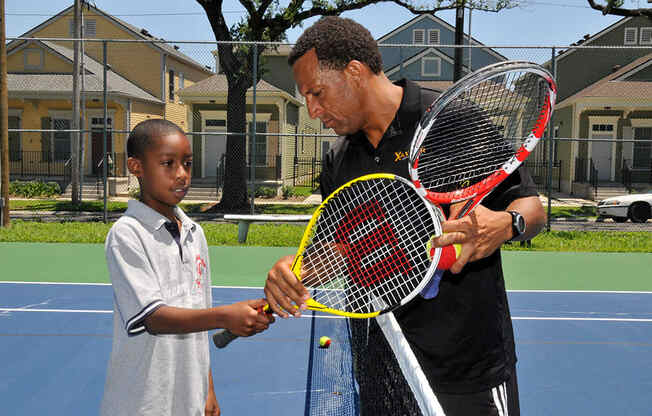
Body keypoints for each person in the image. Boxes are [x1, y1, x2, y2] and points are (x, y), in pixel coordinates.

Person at [263, 17, 546, 416]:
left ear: (355, 72)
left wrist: (505, 224)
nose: (312, 110)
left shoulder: (451, 122)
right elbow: (341, 249)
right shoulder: (340, 159)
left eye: (317, 93)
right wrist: (296, 270)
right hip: (383, 362)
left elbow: (532, 209)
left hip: (467, 367)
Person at [100, 119, 274, 416]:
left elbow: (198, 315)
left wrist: (208, 389)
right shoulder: (127, 234)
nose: (181, 174)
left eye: (188, 163)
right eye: (168, 163)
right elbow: (154, 318)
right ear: (135, 166)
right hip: (142, 404)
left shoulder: (195, 233)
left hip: (190, 401)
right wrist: (226, 316)